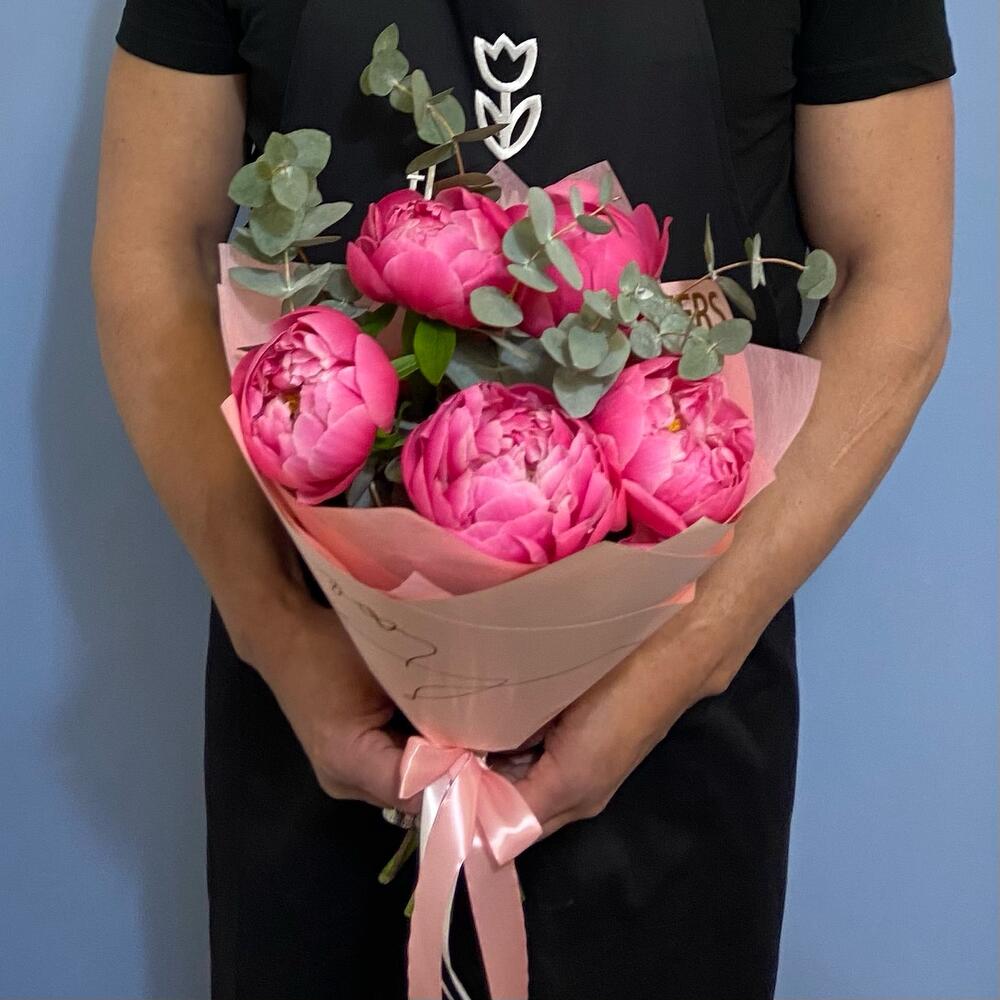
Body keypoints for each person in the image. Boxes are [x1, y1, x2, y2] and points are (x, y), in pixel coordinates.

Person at [92, 2, 956, 997]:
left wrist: (682, 661)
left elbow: (896, 285)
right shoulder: (298, 652)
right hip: (327, 694)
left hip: (672, 718)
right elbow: (151, 249)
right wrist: (280, 631)